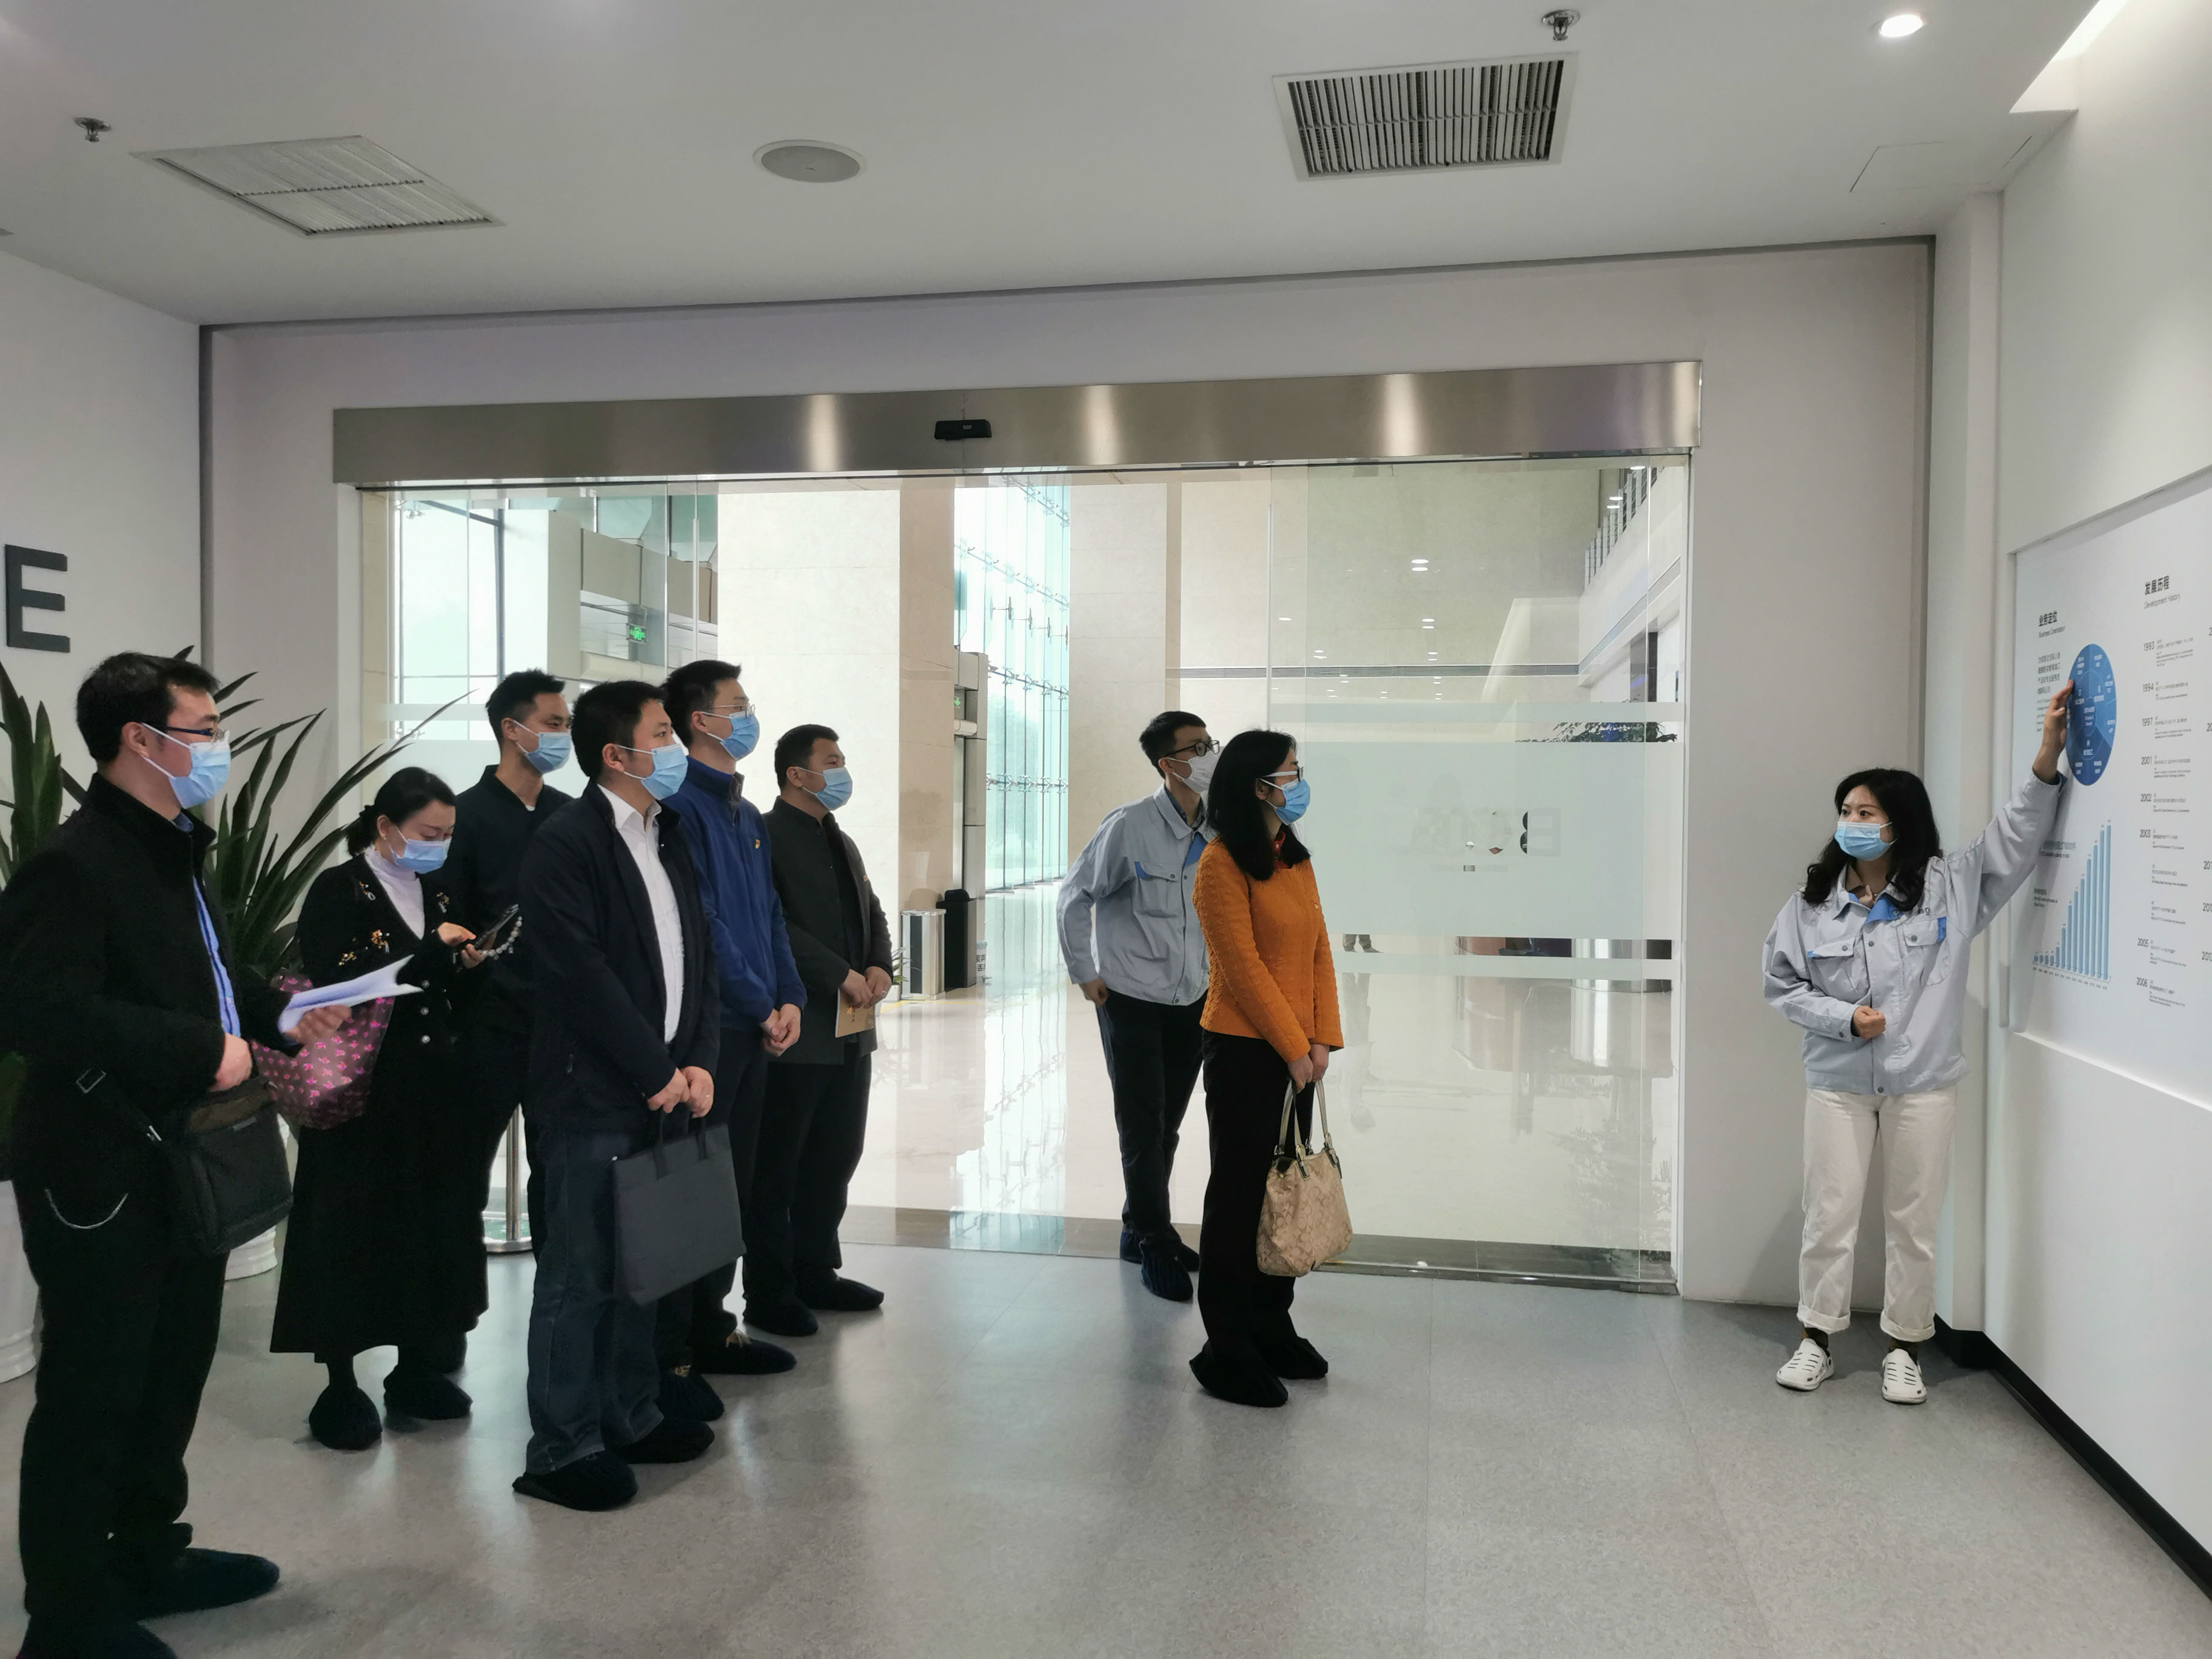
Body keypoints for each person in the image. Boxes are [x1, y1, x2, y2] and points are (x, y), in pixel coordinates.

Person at [0, 652, 347, 1659]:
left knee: (169, 1371)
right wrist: (201, 1049)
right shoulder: (74, 863)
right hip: (97, 1172)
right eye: (203, 730)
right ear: (139, 740)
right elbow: (40, 1012)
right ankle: (68, 1612)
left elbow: (204, 972)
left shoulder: (172, 848)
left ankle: (147, 1552)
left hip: (175, 1162)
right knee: (94, 1388)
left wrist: (283, 1014)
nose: (218, 747)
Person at [1765, 680, 2073, 1404]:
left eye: (1865, 812)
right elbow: (1781, 985)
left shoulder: (1949, 886)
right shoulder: (1811, 904)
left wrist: (2046, 758)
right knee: (1829, 1215)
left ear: (1899, 823)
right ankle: (1816, 1340)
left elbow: (2013, 840)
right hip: (1838, 1083)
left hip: (1923, 1084)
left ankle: (1904, 1349)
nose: (1850, 823)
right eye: (1846, 811)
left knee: (1913, 1221)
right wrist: (1845, 1019)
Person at [512, 681, 721, 1512]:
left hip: (663, 1091)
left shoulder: (668, 833)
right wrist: (653, 1069)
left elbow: (696, 954)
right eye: (663, 734)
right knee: (579, 1277)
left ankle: (630, 1415)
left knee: (643, 1269)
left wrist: (698, 1060)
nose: (675, 748)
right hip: (592, 1096)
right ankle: (561, 1448)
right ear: (616, 754)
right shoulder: (566, 843)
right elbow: (579, 975)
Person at [271, 768, 494, 1452]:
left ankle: (415, 1367)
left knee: (428, 1225)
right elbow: (338, 980)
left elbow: (442, 984)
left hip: (433, 1089)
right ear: (386, 827)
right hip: (362, 1092)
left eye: (448, 835)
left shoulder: (437, 889)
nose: (438, 846)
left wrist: (469, 961)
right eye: (428, 833)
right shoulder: (339, 889)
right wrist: (432, 952)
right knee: (348, 1228)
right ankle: (340, 1383)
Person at [651, 660, 806, 1416]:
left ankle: (715, 1324)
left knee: (735, 1182)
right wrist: (756, 1000)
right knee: (698, 1186)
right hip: (716, 1029)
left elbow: (769, 913)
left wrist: (789, 997)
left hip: (758, 1024)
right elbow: (704, 923)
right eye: (735, 706)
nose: (747, 717)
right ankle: (679, 1345)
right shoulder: (682, 806)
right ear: (699, 721)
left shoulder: (744, 812)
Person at [1188, 730, 1341, 1409]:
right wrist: (1293, 1047)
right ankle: (1226, 1345)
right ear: (1256, 785)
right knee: (1240, 1198)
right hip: (1246, 1051)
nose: (1298, 782)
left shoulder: (1293, 858)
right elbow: (1243, 971)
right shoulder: (1220, 864)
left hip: (1298, 1055)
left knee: (1283, 1191)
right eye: (1289, 773)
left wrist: (1323, 1040)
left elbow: (1319, 951)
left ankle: (1271, 1323)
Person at [1056, 711, 1215, 1301]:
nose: (1209, 754)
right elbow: (1075, 896)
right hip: (1131, 996)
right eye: (1197, 748)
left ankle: (1137, 1227)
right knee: (1142, 1122)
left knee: (1167, 1121)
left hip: (1192, 995)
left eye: (1211, 743)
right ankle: (1154, 1241)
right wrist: (1085, 972)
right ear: (1167, 764)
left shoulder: (1218, 828)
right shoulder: (1129, 826)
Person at [751, 724, 893, 1337]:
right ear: (796, 774)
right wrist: (838, 973)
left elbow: (872, 908)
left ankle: (817, 1270)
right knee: (780, 1166)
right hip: (797, 1030)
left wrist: (880, 964)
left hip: (850, 1032)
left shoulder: (841, 838)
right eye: (831, 761)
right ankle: (769, 1290)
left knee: (836, 1156)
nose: (841, 771)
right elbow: (773, 924)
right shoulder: (763, 836)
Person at [446, 669, 573, 1256]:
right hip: (487, 1022)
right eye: (553, 723)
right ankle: (455, 1300)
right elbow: (446, 920)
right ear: (512, 729)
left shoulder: (572, 816)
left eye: (566, 724)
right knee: (464, 1172)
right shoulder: (463, 816)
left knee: (560, 1175)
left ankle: (559, 1296)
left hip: (561, 1023)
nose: (563, 735)